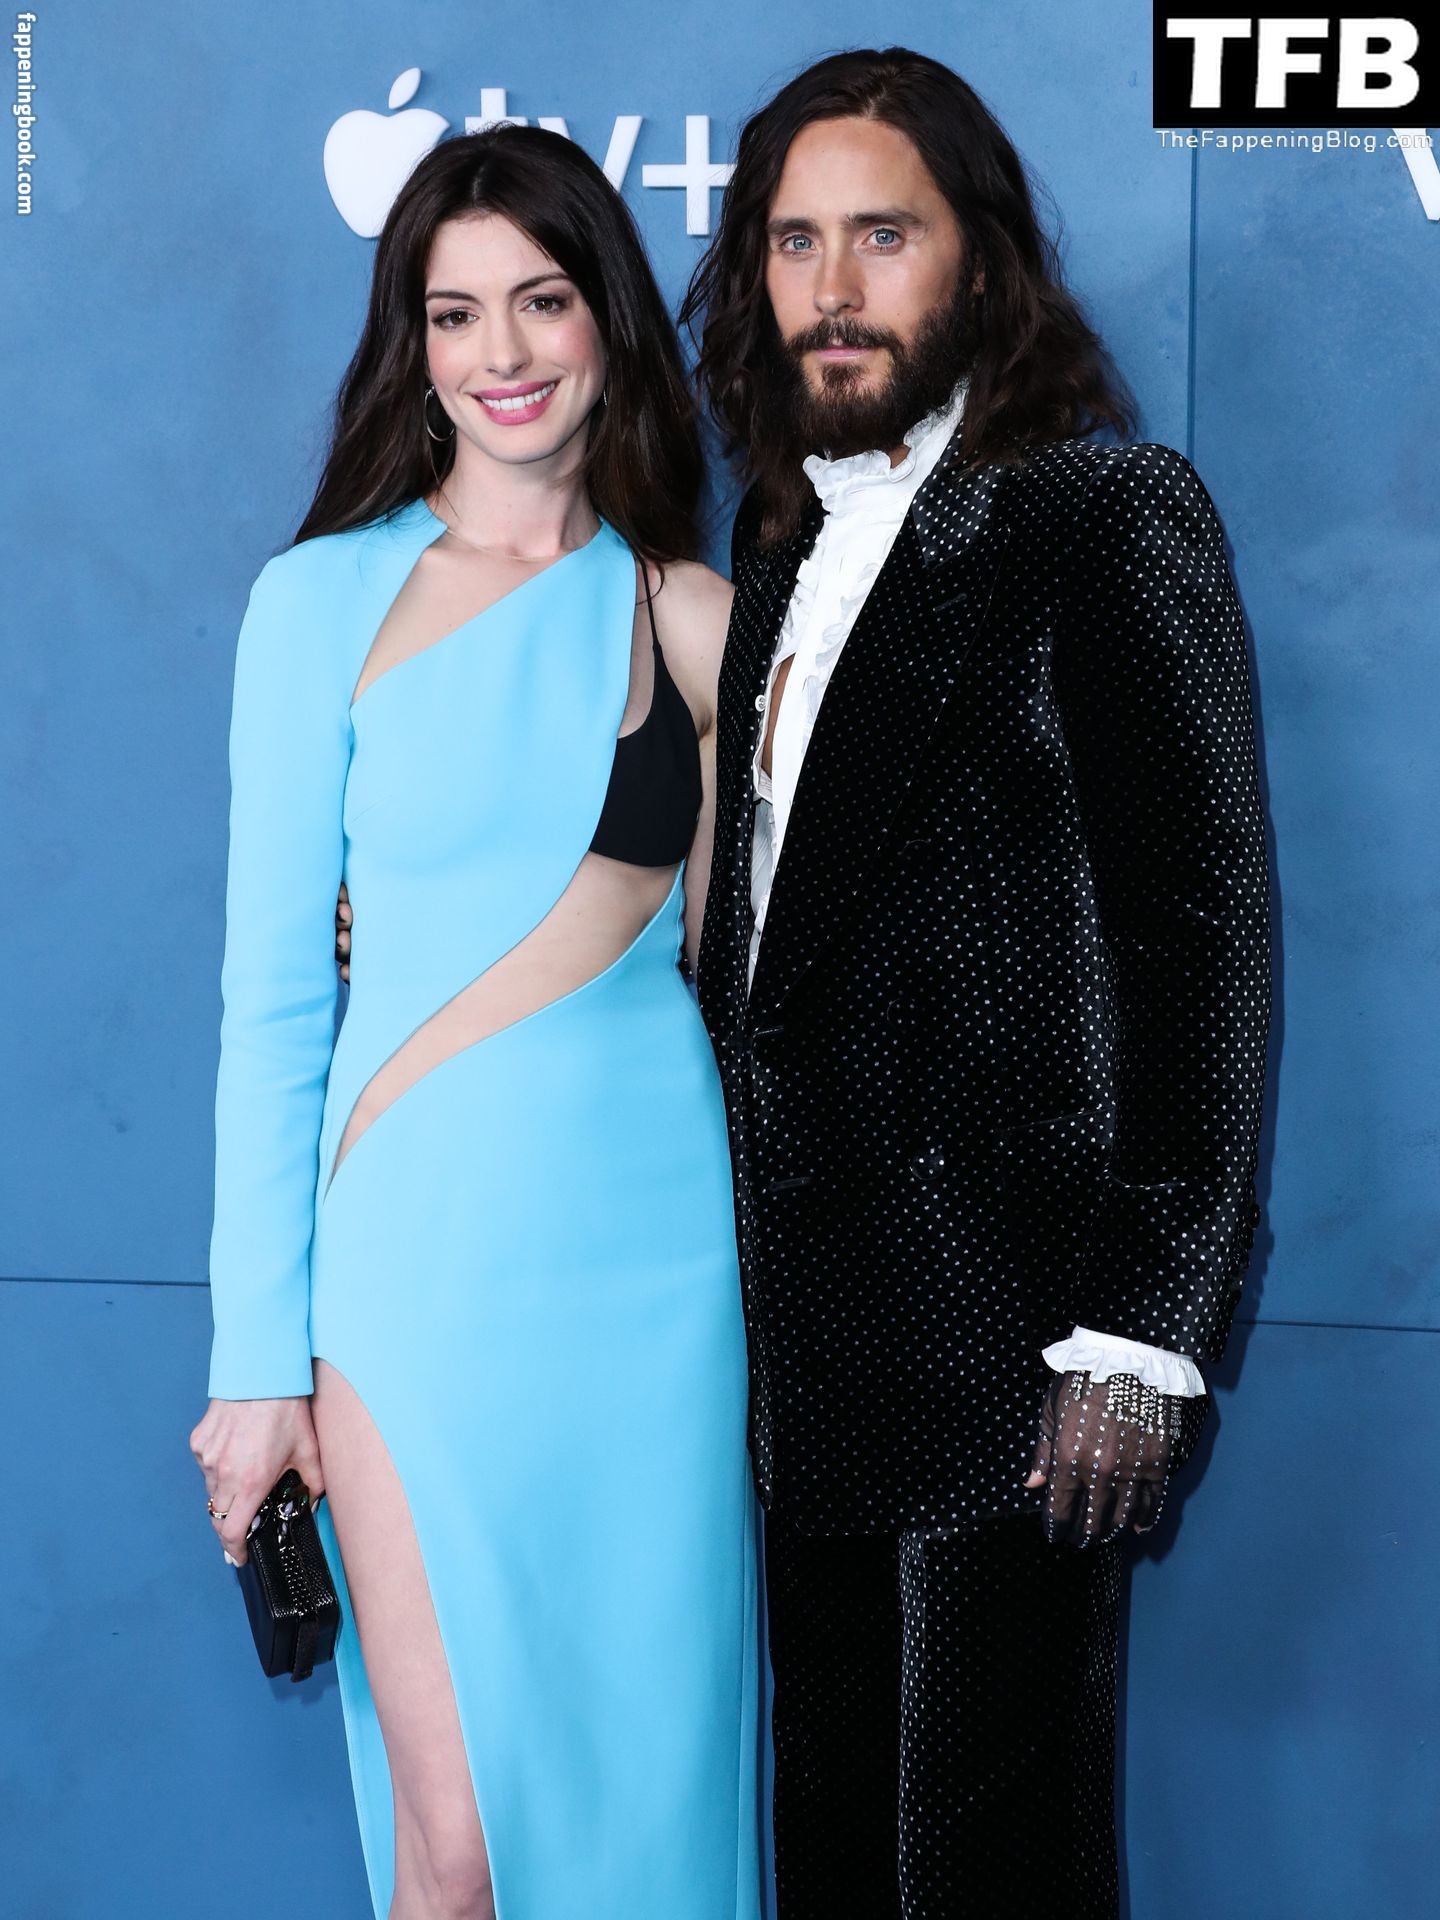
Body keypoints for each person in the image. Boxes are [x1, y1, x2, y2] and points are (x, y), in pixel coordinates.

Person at [674, 46, 1272, 1919]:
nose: (833, 288)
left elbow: (1200, 930)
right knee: (840, 1864)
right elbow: (762, 944)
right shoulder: (776, 547)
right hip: (798, 1362)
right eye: (794, 243)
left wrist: (1142, 1327)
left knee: (988, 1875)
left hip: (1019, 1364)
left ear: (983, 265)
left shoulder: (1102, 518)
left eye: (885, 235)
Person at [188, 126, 760, 1920]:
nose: (501, 353)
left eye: (541, 300)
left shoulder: (696, 619)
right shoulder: (320, 606)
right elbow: (274, 1005)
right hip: (417, 1282)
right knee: (460, 1859)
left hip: (658, 1288)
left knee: (650, 1828)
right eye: (453, 315)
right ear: (412, 345)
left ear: (608, 323)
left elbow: (740, 982)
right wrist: (253, 1365)